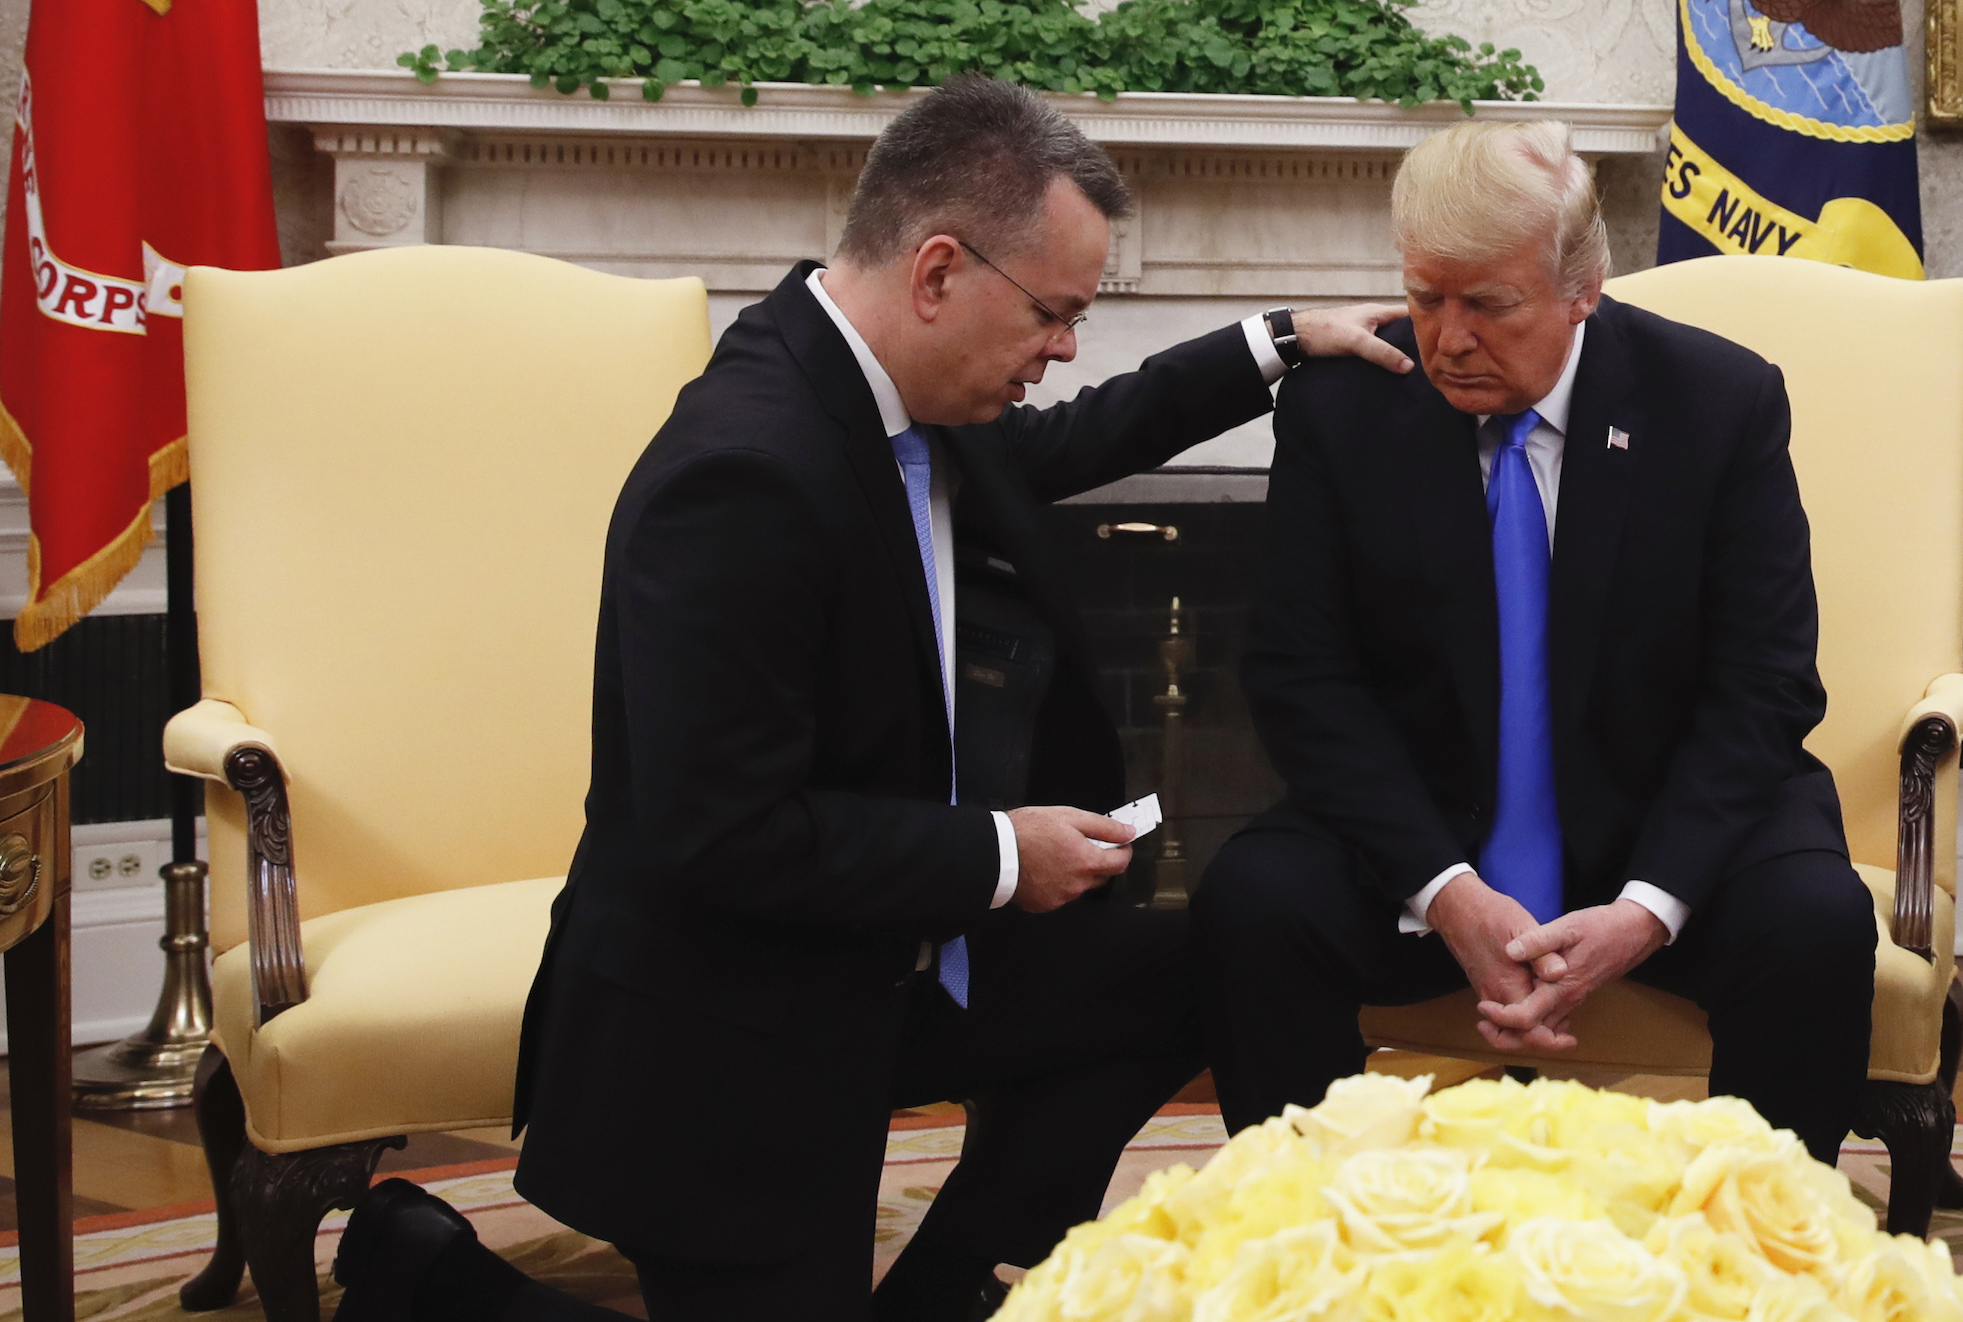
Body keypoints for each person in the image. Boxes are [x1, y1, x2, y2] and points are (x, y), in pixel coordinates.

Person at [330, 75, 1406, 1322]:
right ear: (938, 271)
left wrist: (1280, 340)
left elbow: (1067, 441)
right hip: (731, 1032)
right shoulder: (746, 473)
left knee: (1191, 966)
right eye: (1054, 313)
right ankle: (429, 1275)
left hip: (886, 963)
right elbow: (720, 835)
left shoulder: (903, 397)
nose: (1065, 347)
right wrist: (1001, 852)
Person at [1190, 119, 1878, 1166]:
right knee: (1254, 903)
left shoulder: (1717, 401)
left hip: (1659, 818)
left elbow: (1765, 682)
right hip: (1424, 827)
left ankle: (1759, 1236)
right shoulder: (1343, 406)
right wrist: (1446, 890)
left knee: (1813, 922)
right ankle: (1320, 1226)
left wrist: (1645, 907)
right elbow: (1301, 676)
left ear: (1582, 288)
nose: (1448, 339)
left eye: (1489, 304)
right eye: (1426, 298)